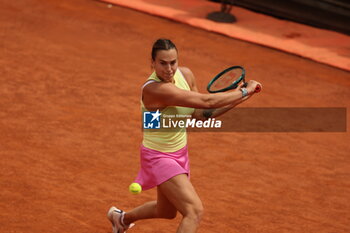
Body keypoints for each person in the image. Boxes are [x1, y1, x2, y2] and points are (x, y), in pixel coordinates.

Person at [107, 38, 262, 233]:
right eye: (162, 63)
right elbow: (206, 101)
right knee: (194, 211)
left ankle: (121, 219)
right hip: (158, 156)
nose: (169, 68)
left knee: (166, 211)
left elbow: (201, 114)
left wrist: (244, 96)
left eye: (173, 62)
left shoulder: (186, 76)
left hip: (180, 153)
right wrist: (243, 91)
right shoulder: (155, 89)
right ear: (152, 63)